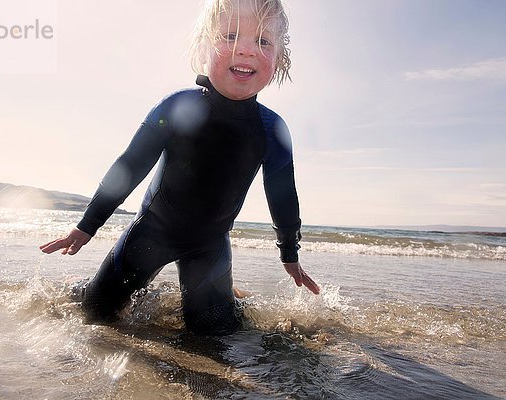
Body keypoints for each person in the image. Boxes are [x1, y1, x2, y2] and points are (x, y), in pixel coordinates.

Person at [40, 0, 319, 335]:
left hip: (210, 246)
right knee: (95, 315)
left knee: (213, 335)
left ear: (279, 58)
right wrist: (87, 225)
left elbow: (283, 195)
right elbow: (130, 165)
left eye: (263, 41)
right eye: (230, 36)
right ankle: (83, 284)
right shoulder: (176, 106)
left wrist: (289, 254)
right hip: (150, 234)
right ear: (204, 47)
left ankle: (228, 298)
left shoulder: (272, 130)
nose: (245, 50)